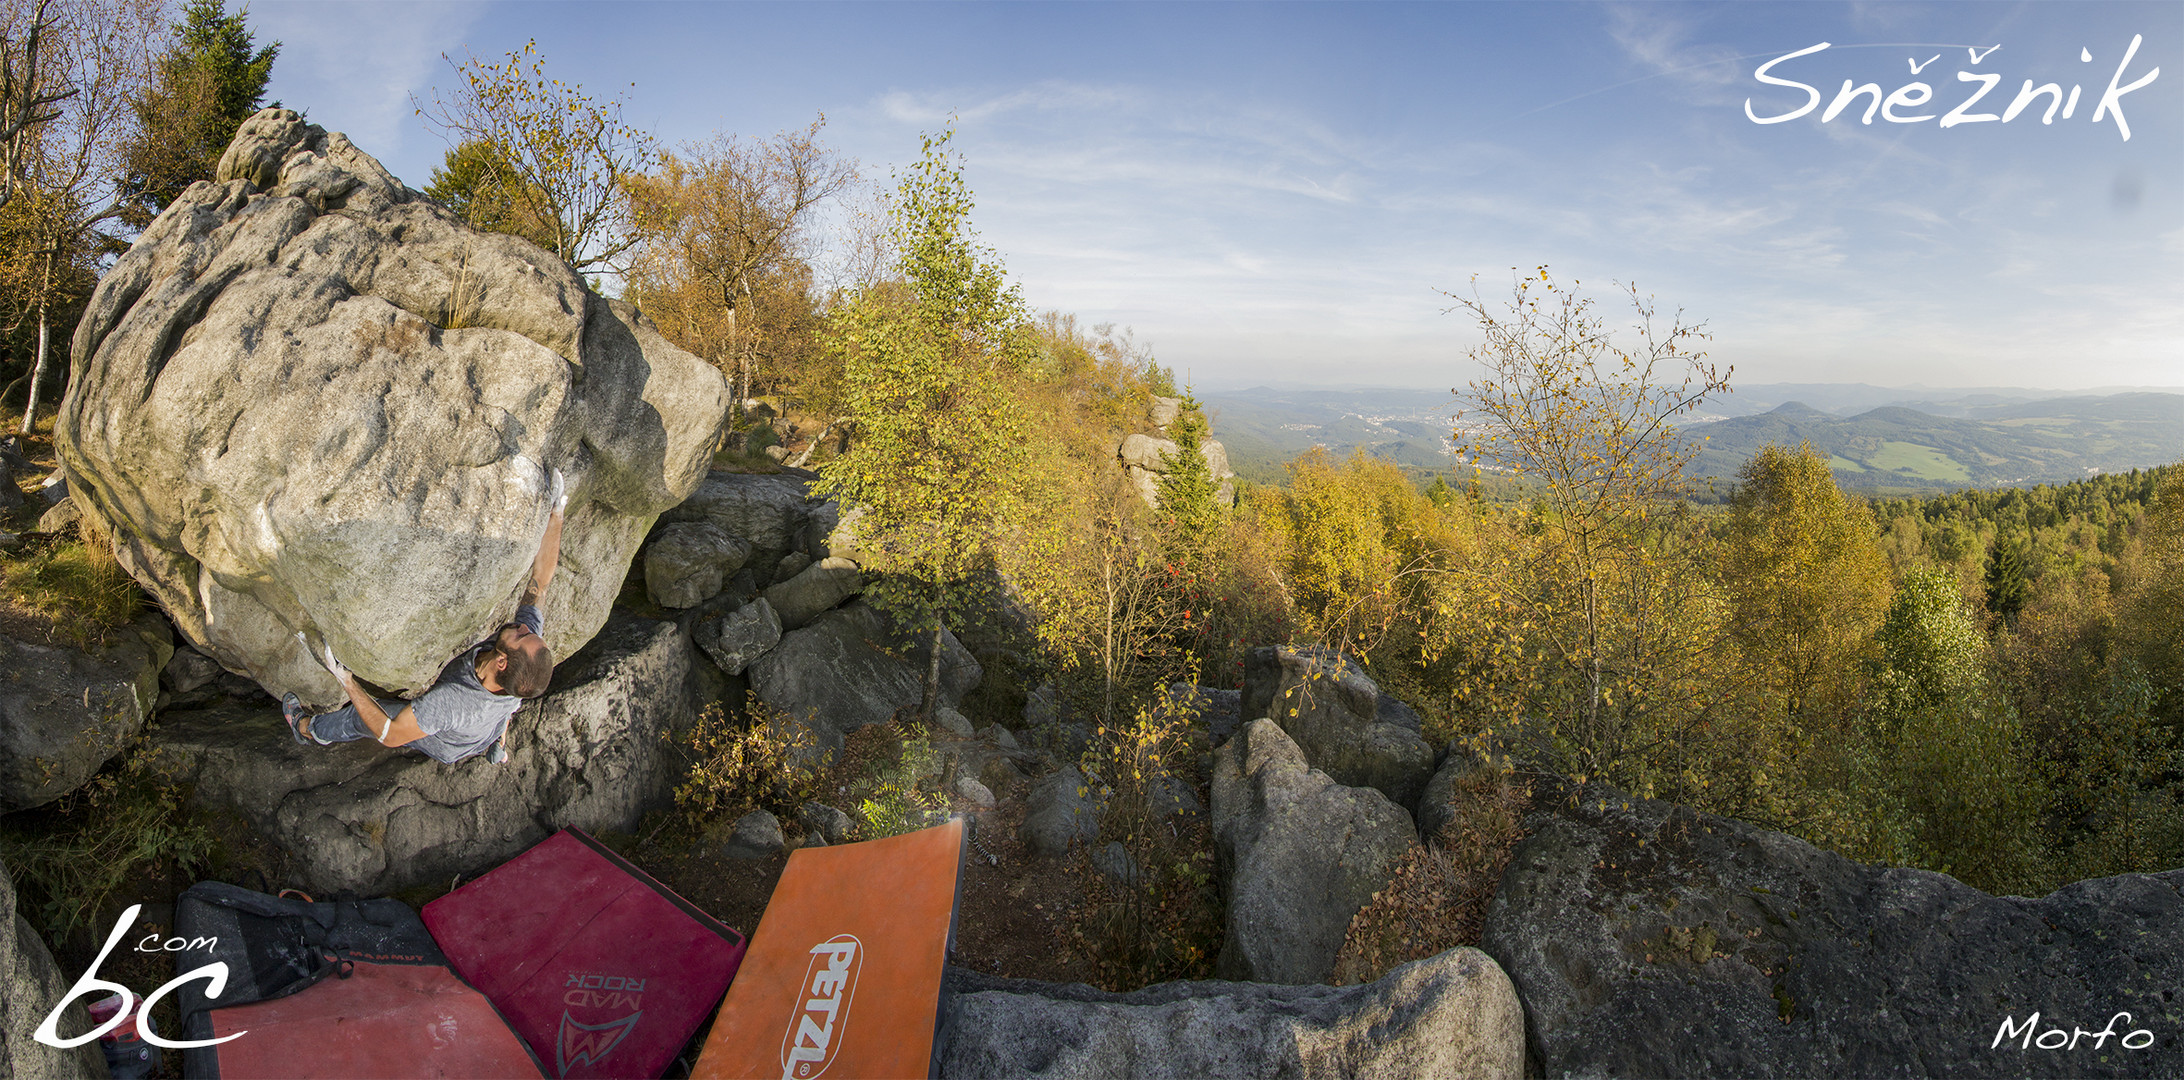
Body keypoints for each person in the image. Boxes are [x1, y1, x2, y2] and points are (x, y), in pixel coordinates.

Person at [282, 470, 566, 765]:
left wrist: (348, 681)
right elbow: (540, 583)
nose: (523, 626)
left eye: (521, 634)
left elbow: (390, 735)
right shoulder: (520, 667)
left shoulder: (451, 704)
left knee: (359, 718)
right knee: (505, 708)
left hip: (449, 742)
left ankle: (307, 729)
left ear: (502, 662)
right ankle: (497, 745)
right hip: (488, 721)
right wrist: (556, 512)